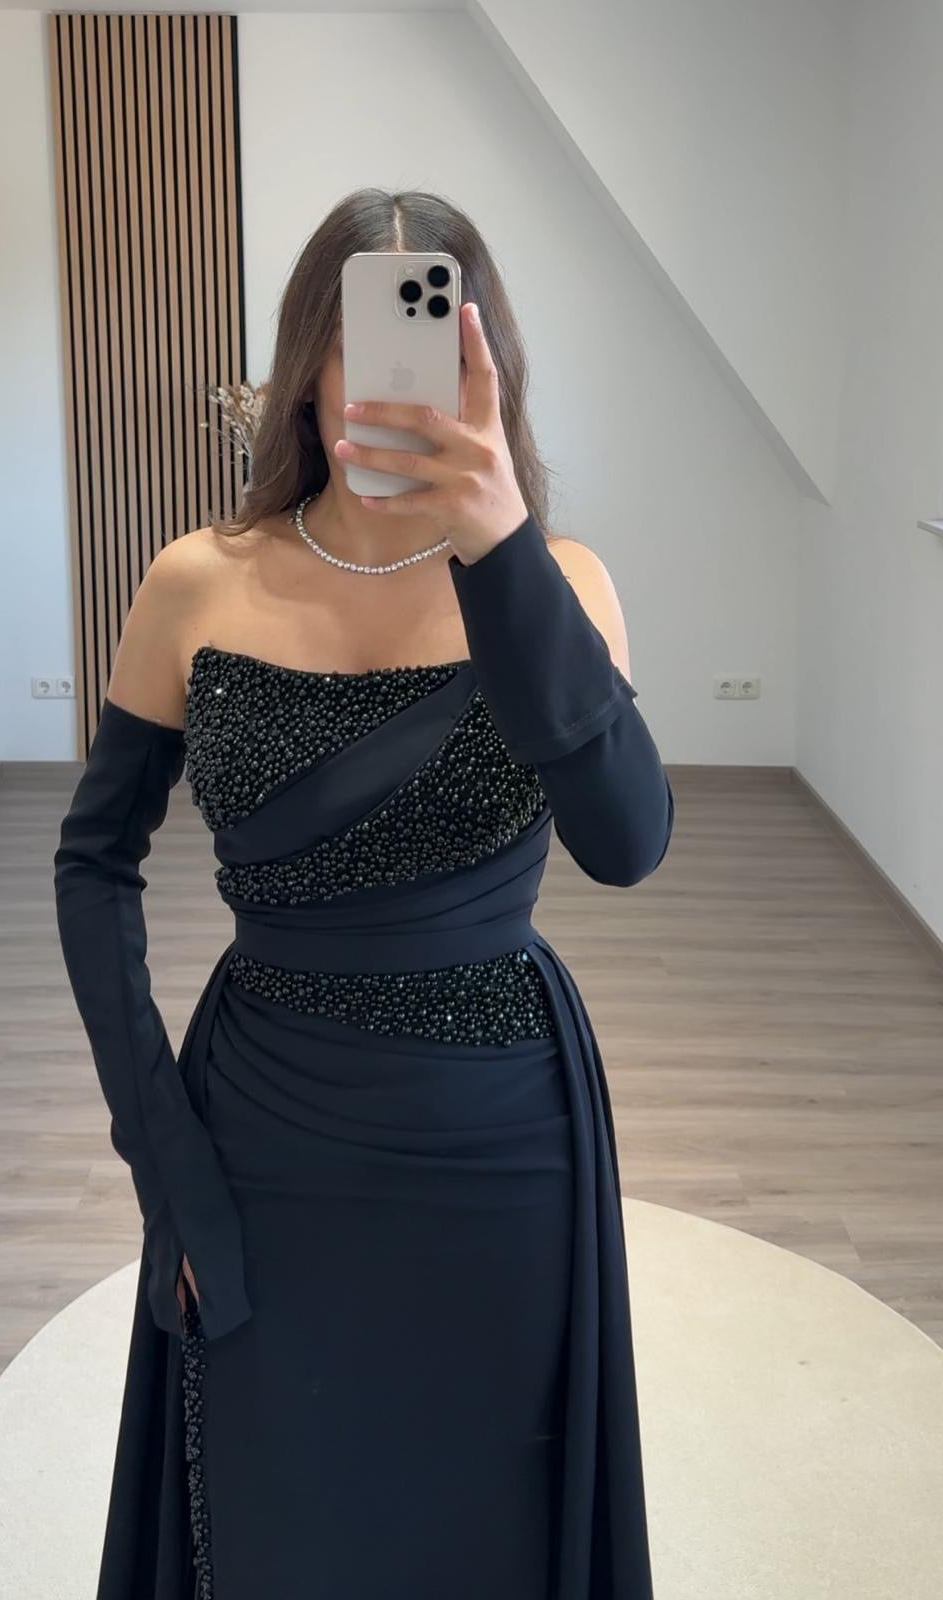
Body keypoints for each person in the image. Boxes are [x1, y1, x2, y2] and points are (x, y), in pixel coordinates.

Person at [54, 187, 674, 1600]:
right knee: (279, 1504)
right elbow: (94, 865)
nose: (391, 384)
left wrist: (503, 555)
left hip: (503, 1130)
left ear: (486, 367)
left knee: (490, 1511)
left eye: (435, 341)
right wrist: (164, 1160)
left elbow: (628, 843)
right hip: (264, 1127)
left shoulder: (562, 582)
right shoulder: (198, 581)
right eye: (359, 342)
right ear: (306, 366)